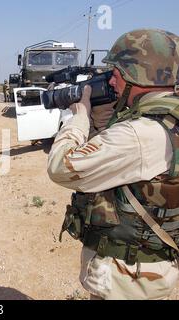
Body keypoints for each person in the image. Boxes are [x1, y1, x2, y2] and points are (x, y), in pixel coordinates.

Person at [47, 29, 179, 300]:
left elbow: (61, 166)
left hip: (127, 279)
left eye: (117, 71)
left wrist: (80, 118)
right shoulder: (168, 120)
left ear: (138, 75)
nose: (112, 79)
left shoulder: (138, 134)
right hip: (153, 272)